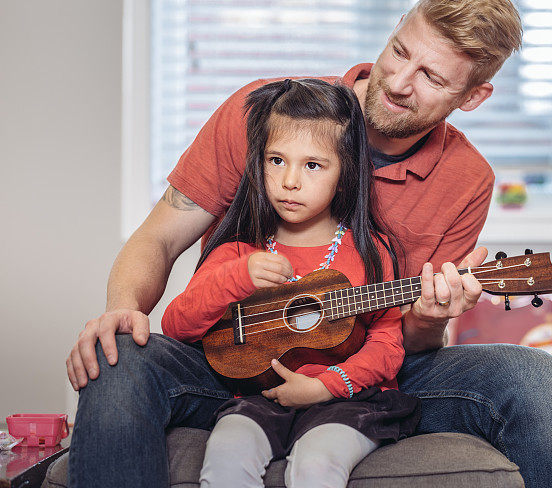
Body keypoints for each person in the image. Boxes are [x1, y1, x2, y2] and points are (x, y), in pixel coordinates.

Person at [67, 0, 552, 487]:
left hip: (364, 370)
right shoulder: (265, 114)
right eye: (400, 51)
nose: (399, 82)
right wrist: (123, 309)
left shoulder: (467, 179)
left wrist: (428, 317)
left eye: (432, 77)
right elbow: (159, 238)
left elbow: (409, 339)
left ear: (473, 96)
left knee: (534, 377)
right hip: (231, 358)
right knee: (119, 358)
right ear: (398, 25)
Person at [161, 78, 420, 488]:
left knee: (316, 465)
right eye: (276, 160)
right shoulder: (240, 252)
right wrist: (236, 279)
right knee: (227, 456)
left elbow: (387, 345)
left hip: (344, 401)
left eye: (312, 165)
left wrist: (324, 387)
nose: (289, 181)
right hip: (256, 399)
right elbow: (176, 325)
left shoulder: (372, 252)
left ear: (345, 173)